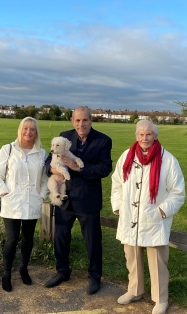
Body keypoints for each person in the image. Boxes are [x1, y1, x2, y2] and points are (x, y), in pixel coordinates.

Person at [111, 120, 185, 314]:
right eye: (141, 134)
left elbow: (177, 191)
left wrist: (161, 211)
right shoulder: (126, 156)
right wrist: (119, 207)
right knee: (132, 257)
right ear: (136, 136)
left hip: (154, 219)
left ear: (155, 136)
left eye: (149, 134)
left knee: (158, 262)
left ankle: (160, 299)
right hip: (130, 217)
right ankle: (134, 290)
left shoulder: (167, 160)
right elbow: (117, 183)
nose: (145, 138)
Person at [44, 106, 113, 295]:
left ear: (91, 120)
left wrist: (78, 168)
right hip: (64, 199)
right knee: (60, 238)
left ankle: (94, 277)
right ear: (72, 121)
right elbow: (49, 161)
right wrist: (53, 170)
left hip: (87, 200)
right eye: (77, 120)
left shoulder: (103, 140)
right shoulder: (64, 137)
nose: (81, 124)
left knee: (92, 242)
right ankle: (62, 271)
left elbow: (105, 168)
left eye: (85, 120)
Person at [0, 117, 49, 292]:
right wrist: (4, 193)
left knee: (28, 239)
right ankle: (6, 274)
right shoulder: (8, 150)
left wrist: (41, 195)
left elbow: (46, 179)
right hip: (12, 203)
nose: (28, 132)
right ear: (20, 129)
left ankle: (24, 269)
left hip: (32, 202)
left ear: (36, 132)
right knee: (12, 239)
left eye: (32, 129)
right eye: (25, 128)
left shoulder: (41, 153)